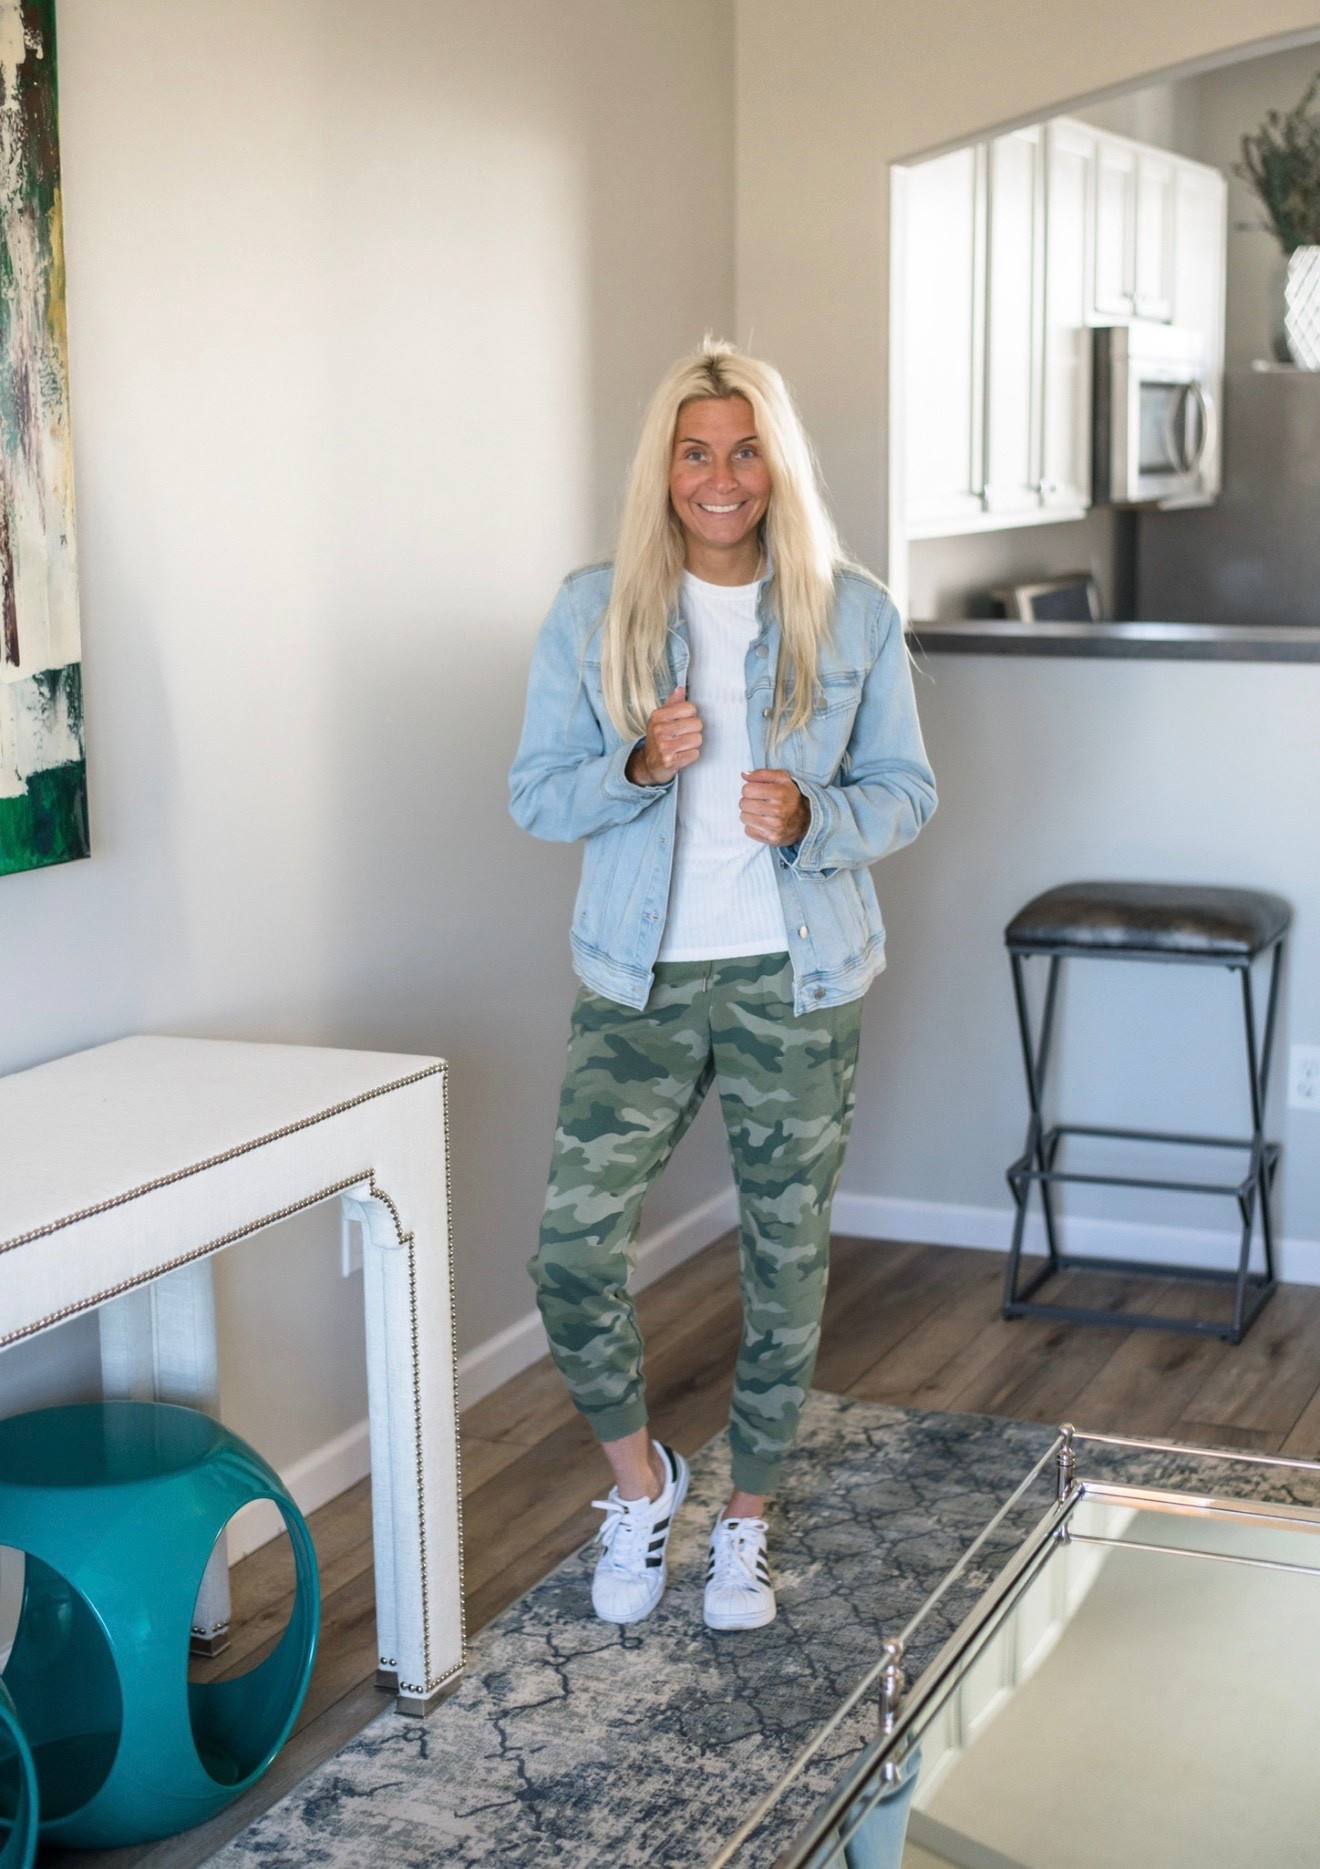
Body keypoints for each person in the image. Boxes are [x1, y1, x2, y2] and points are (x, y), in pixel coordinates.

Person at [509, 338, 936, 1632]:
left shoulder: (849, 611)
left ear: (776, 464)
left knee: (784, 1257)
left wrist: (811, 811)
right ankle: (642, 1482)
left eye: (746, 448)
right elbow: (536, 792)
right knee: (572, 1250)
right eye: (697, 450)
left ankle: (745, 1520)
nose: (721, 475)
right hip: (635, 979)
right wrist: (636, 767)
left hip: (792, 977)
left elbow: (907, 792)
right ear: (666, 468)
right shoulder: (595, 612)